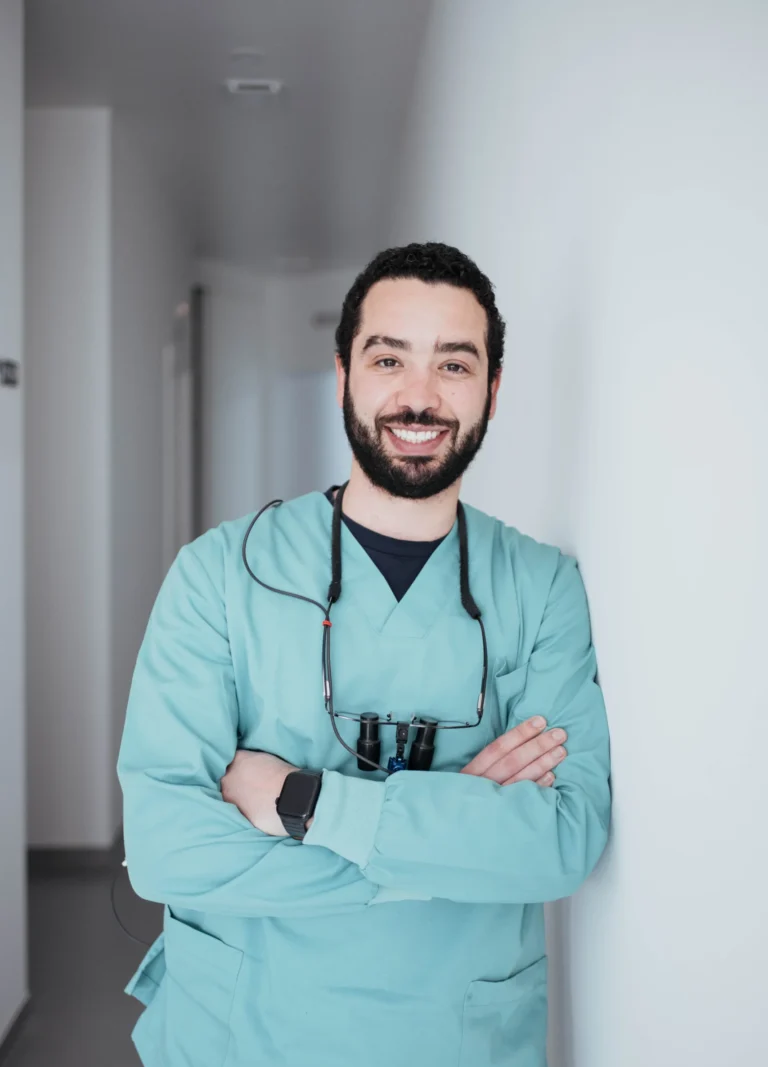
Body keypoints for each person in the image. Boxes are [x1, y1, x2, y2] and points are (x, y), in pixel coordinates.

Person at [117, 241, 611, 1067]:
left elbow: (564, 838)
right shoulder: (218, 574)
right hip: (243, 1031)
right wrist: (447, 830)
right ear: (344, 375)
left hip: (454, 1038)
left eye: (454, 365)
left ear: (492, 391)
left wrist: (309, 805)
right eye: (390, 359)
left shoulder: (542, 587)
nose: (419, 396)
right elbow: (167, 848)